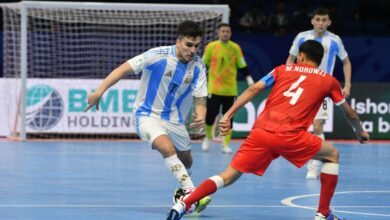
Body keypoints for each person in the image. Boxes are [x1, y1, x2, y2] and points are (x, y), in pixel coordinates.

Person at [166, 40, 369, 220]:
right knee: (332, 155)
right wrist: (360, 131)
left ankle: (184, 203)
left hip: (261, 133)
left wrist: (227, 114)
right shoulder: (328, 80)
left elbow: (254, 89)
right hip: (291, 136)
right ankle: (323, 214)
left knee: (228, 175)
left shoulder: (281, 69)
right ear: (320, 59)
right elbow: (349, 112)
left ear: (301, 56)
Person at [84, 20, 211, 213]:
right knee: (166, 148)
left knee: (187, 160)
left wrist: (201, 116)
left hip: (174, 119)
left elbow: (200, 97)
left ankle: (181, 191)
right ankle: (192, 194)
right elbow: (122, 69)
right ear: (178, 42)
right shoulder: (156, 55)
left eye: (196, 46)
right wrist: (99, 91)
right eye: (188, 45)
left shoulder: (198, 66)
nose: (192, 50)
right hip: (147, 114)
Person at [286, 7, 352, 180]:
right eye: (318, 20)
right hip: (301, 88)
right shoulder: (301, 37)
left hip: (322, 90)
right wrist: (289, 78)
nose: (321, 23)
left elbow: (346, 62)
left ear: (329, 22)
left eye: (324, 20)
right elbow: (291, 59)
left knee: (317, 126)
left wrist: (348, 84)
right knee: (298, 127)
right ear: (312, 21)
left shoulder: (335, 40)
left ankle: (314, 166)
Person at [201, 23, 254, 154]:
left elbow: (242, 65)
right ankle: (208, 138)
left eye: (228, 31)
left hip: (231, 90)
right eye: (223, 31)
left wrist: (249, 79)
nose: (225, 33)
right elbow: (203, 65)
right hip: (214, 88)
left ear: (230, 33)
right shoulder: (211, 47)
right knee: (210, 116)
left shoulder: (235, 48)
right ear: (218, 33)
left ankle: (225, 144)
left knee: (228, 117)